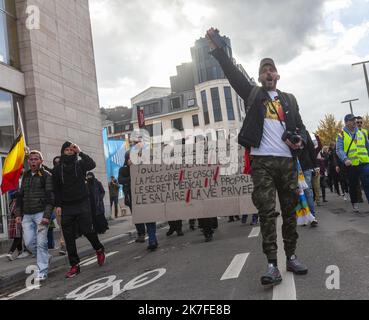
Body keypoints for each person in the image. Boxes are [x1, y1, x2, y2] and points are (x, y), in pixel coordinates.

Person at [206, 27, 308, 286]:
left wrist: (300, 140)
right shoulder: (252, 94)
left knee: (289, 211)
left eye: (271, 69)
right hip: (261, 161)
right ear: (261, 77)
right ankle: (272, 264)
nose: (268, 73)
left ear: (278, 75)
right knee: (266, 212)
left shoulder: (289, 100)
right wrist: (219, 50)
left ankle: (292, 256)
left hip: (286, 162)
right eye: (263, 70)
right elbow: (233, 73)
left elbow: (301, 127)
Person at [53, 142, 105, 278]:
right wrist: (58, 205)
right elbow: (56, 189)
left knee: (87, 230)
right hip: (66, 206)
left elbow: (92, 164)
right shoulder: (58, 169)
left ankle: (99, 248)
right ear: (62, 151)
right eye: (67, 150)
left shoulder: (80, 164)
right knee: (69, 238)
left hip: (82, 203)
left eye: (72, 149)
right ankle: (74, 266)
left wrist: (80, 151)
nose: (69, 151)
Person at [14, 151, 54, 281]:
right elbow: (20, 196)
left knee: (41, 243)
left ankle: (42, 270)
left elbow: (50, 198)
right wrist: (18, 214)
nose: (32, 161)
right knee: (29, 243)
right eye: (31, 159)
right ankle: (45, 257)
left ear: (41, 161)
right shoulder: (25, 176)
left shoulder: (46, 176)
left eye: (36, 159)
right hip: (27, 215)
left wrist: (47, 216)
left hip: (41, 213)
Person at [119, 147, 159, 251]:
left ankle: (152, 240)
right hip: (132, 199)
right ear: (127, 159)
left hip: (145, 198)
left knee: (149, 218)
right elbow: (120, 180)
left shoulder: (143, 167)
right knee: (138, 218)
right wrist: (133, 174)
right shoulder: (123, 170)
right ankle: (141, 234)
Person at [336, 114, 369, 212]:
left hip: (364, 162)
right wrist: (345, 159)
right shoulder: (341, 134)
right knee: (353, 185)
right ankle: (354, 203)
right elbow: (339, 150)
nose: (354, 122)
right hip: (351, 164)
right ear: (346, 122)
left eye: (355, 120)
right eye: (351, 120)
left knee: (367, 183)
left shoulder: (361, 133)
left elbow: (367, 146)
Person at [298, 131, 319, 226]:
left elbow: (311, 149)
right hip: (298, 165)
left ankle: (308, 217)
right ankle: (308, 217)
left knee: (304, 190)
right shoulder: (303, 132)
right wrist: (315, 165)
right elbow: (311, 149)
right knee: (306, 190)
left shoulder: (303, 132)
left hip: (302, 166)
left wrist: (315, 165)